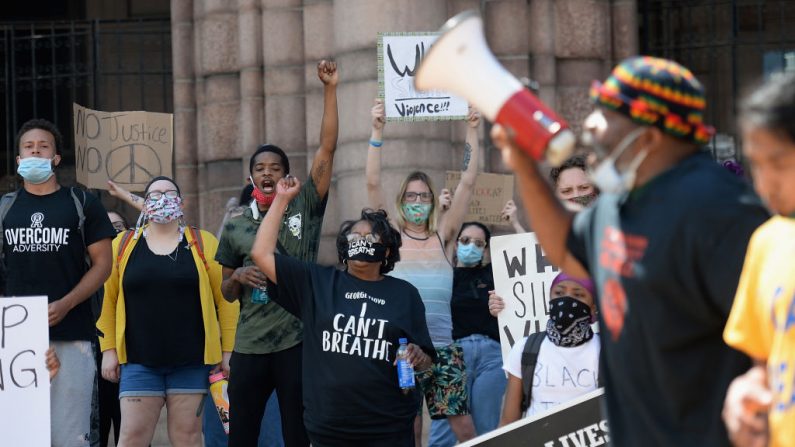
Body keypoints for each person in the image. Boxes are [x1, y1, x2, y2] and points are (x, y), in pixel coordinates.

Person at [490, 56, 769, 445]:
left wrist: (757, 386)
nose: (589, 126)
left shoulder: (721, 210)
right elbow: (568, 253)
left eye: (605, 115)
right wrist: (522, 164)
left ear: (649, 137)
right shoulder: (617, 203)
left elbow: (769, 328)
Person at [250, 177, 435, 446]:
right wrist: (281, 200)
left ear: (386, 253)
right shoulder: (317, 283)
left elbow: (427, 357)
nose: (361, 240)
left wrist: (419, 355)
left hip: (389, 429)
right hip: (329, 430)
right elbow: (261, 254)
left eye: (371, 236)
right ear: (344, 250)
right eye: (354, 236)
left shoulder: (404, 294)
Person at [216, 60, 339, 447]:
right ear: (251, 177)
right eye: (260, 168)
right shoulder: (235, 225)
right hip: (250, 345)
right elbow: (225, 290)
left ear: (286, 174)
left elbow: (327, 147)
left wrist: (330, 88)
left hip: (297, 342)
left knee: (296, 435)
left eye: (275, 167)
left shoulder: (303, 204)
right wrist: (235, 278)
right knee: (242, 437)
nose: (267, 173)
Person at [366, 99, 480, 444]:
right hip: (401, 350)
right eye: (411, 197)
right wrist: (377, 130)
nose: (418, 203)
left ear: (432, 200)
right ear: (401, 202)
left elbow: (468, 183)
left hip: (443, 349)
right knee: (410, 430)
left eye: (424, 197)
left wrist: (473, 129)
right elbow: (372, 185)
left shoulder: (443, 236)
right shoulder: (392, 240)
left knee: (464, 428)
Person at [97, 176, 239, 447]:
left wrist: (228, 350)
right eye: (154, 194)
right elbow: (108, 300)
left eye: (169, 193)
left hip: (191, 361)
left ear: (181, 202)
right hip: (138, 362)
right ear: (145, 204)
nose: (162, 199)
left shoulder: (204, 242)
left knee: (187, 438)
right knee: (131, 438)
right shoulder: (122, 245)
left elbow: (226, 300)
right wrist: (109, 350)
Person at [0, 118, 115, 446]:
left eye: (43, 146)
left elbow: (103, 265)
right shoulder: (5, 209)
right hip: (16, 342)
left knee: (70, 437)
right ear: (19, 160)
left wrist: (66, 304)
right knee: (21, 438)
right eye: (28, 147)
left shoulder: (82, 204)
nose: (35, 151)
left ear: (56, 159)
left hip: (73, 335)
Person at [722, 72, 795, 447]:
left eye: (778, 162)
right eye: (756, 164)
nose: (764, 183)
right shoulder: (767, 242)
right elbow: (764, 364)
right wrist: (743, 391)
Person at [428, 222, 505, 446]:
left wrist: (516, 222)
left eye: (478, 243)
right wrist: (443, 215)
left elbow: (531, 258)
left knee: (485, 429)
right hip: (451, 355)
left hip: (492, 356)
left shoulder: (494, 274)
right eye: (465, 240)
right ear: (456, 242)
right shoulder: (441, 275)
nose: (471, 246)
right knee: (443, 431)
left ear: (486, 249)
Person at [496, 272, 600, 423]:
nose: (566, 300)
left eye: (578, 295)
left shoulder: (607, 352)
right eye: (559, 293)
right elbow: (507, 422)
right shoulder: (525, 348)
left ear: (593, 308)